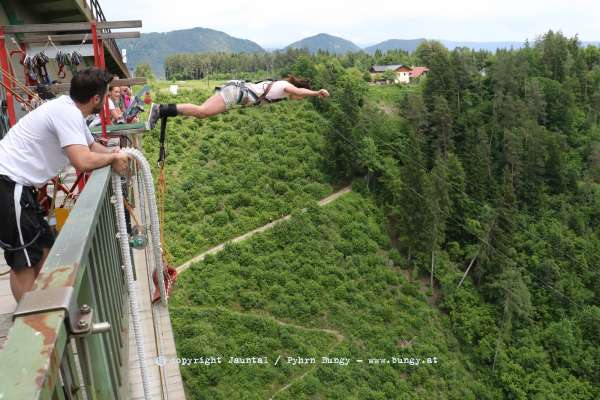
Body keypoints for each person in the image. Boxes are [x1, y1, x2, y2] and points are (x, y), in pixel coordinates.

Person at [0, 67, 130, 301]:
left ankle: (44, 305)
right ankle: (30, 318)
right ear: (96, 98)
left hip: (19, 187)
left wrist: (118, 153)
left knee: (43, 248)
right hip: (9, 185)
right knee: (23, 261)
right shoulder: (67, 114)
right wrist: (112, 159)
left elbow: (91, 147)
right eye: (105, 95)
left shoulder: (68, 109)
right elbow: (82, 161)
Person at [147, 75, 330, 128]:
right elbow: (299, 91)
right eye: (301, 96)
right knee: (202, 112)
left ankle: (161, 110)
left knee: (200, 112)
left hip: (236, 92)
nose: (299, 98)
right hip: (236, 94)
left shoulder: (281, 88)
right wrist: (316, 93)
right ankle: (160, 109)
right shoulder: (285, 87)